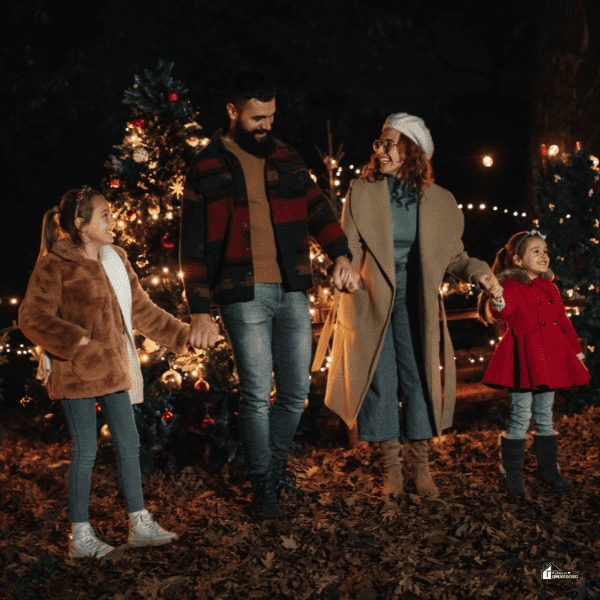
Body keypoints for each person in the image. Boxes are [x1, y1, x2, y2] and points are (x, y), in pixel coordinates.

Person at [179, 72, 358, 520]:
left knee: (296, 392)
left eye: (272, 116)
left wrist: (340, 253)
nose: (265, 125)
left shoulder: (286, 156)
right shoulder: (206, 167)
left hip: (292, 288)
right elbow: (193, 246)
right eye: (257, 117)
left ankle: (272, 472)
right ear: (232, 111)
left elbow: (319, 209)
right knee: (258, 393)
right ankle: (264, 487)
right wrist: (200, 309)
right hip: (242, 294)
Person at [314, 113, 502, 499]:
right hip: (370, 296)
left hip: (414, 299)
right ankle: (393, 473)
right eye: (378, 143)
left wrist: (480, 273)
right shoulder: (362, 191)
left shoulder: (441, 201)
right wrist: (343, 265)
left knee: (418, 378)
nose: (378, 149)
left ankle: (421, 468)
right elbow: (349, 246)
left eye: (388, 143)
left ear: (411, 149)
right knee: (380, 382)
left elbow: (455, 257)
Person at [19, 187, 191, 559]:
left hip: (114, 370)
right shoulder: (54, 265)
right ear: (81, 224)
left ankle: (138, 524)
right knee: (85, 451)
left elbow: (142, 310)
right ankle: (80, 536)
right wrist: (78, 344)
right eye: (105, 216)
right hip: (76, 372)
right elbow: (32, 317)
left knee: (129, 444)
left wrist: (181, 334)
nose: (114, 222)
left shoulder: (117, 259)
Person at [478, 230, 590, 496]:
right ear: (517, 261)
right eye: (536, 251)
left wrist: (577, 354)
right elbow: (503, 310)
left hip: (549, 357)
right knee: (520, 415)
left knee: (544, 414)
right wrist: (496, 296)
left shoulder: (550, 286)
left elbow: (563, 322)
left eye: (546, 251)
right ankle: (513, 472)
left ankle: (550, 468)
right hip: (524, 359)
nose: (544, 256)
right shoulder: (510, 287)